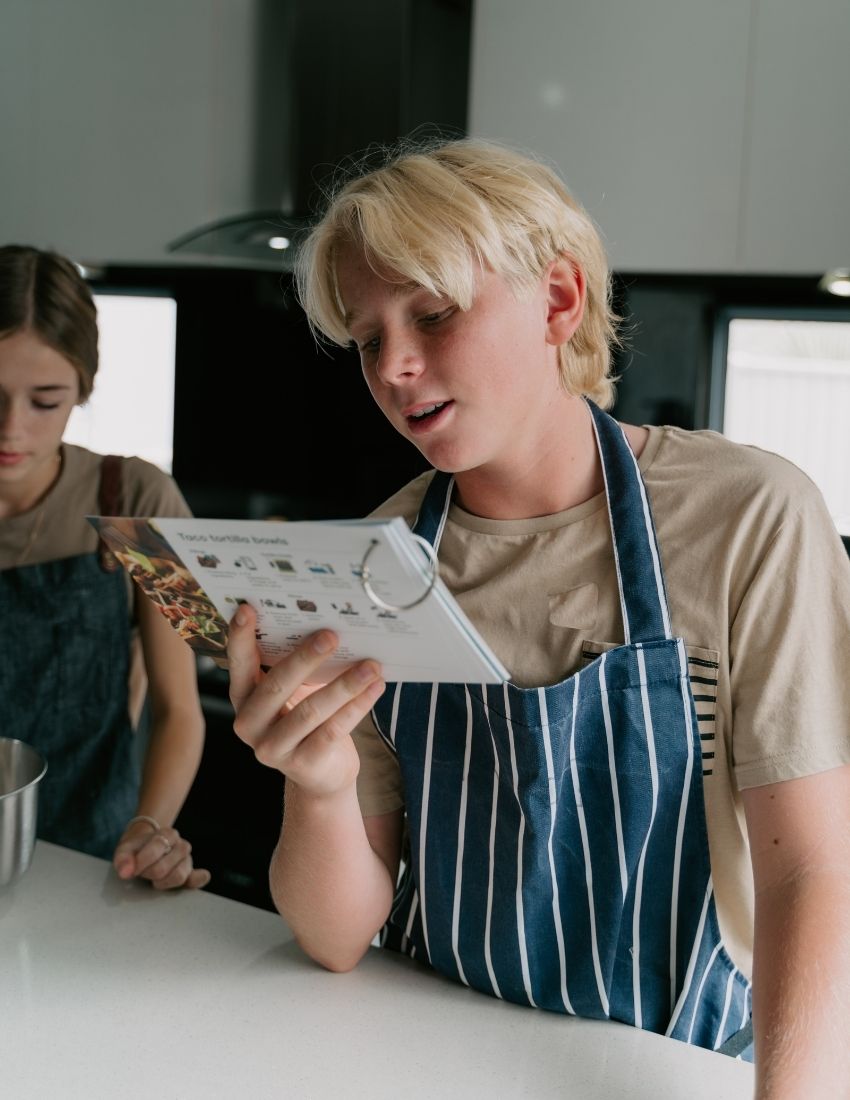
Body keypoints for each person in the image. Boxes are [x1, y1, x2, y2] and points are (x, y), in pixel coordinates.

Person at [226, 140, 850, 1094]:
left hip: (672, 1065)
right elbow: (339, 936)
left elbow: (810, 872)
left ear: (559, 301)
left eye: (433, 314)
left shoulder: (746, 518)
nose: (393, 365)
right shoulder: (377, 563)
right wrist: (315, 783)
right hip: (423, 1052)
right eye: (365, 338)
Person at [0, 245, 208, 889]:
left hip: (93, 858)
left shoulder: (138, 498)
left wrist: (149, 829)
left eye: (45, 401)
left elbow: (182, 710)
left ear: (82, 389)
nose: (12, 429)